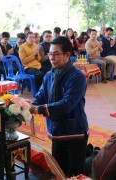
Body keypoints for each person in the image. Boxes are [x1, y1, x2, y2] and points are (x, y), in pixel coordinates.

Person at [30, 36, 88, 177]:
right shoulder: (49, 75)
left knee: (75, 174)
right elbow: (41, 95)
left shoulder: (77, 76)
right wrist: (30, 105)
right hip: (56, 130)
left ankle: (91, 156)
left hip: (74, 131)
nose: (51, 57)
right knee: (58, 171)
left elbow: (67, 104)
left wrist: (39, 109)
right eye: (50, 54)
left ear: (67, 55)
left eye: (56, 54)